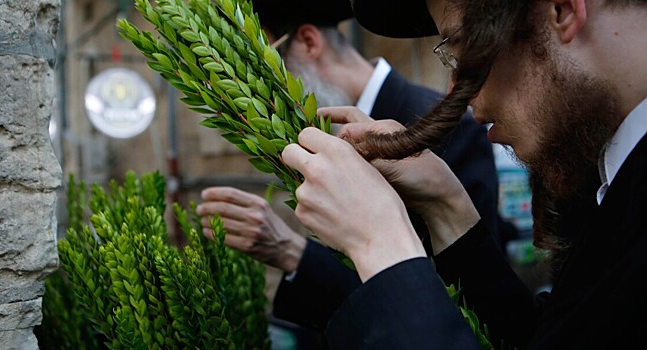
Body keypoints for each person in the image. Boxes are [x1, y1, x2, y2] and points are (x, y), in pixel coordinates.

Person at [269, 0, 647, 348]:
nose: (462, 97)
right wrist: (447, 206)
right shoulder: (607, 181)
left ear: (562, 10)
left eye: (463, 45)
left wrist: (384, 247)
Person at [196, 0, 503, 332]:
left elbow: (471, 302)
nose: (258, 98)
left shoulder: (447, 126)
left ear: (309, 42)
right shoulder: (319, 134)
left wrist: (295, 252)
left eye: (258, 72)